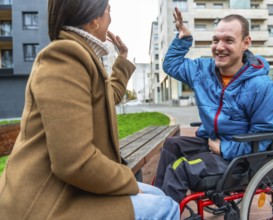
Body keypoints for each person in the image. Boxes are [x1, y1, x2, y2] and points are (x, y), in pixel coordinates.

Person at [0, 1, 179, 219]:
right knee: (166, 207)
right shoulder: (65, 56)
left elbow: (107, 98)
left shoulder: (83, 55)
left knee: (160, 196)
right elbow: (74, 161)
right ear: (93, 19)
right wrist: (127, 180)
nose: (110, 18)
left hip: (66, 189)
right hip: (43, 202)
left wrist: (122, 59)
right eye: (108, 11)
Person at [154, 7, 273, 203]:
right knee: (172, 145)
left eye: (229, 40)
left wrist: (226, 149)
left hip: (239, 158)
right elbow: (171, 65)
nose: (219, 47)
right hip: (212, 142)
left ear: (246, 43)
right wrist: (183, 39)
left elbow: (262, 136)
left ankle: (163, 212)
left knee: (180, 169)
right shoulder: (202, 70)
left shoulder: (261, 86)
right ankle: (157, 205)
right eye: (215, 40)